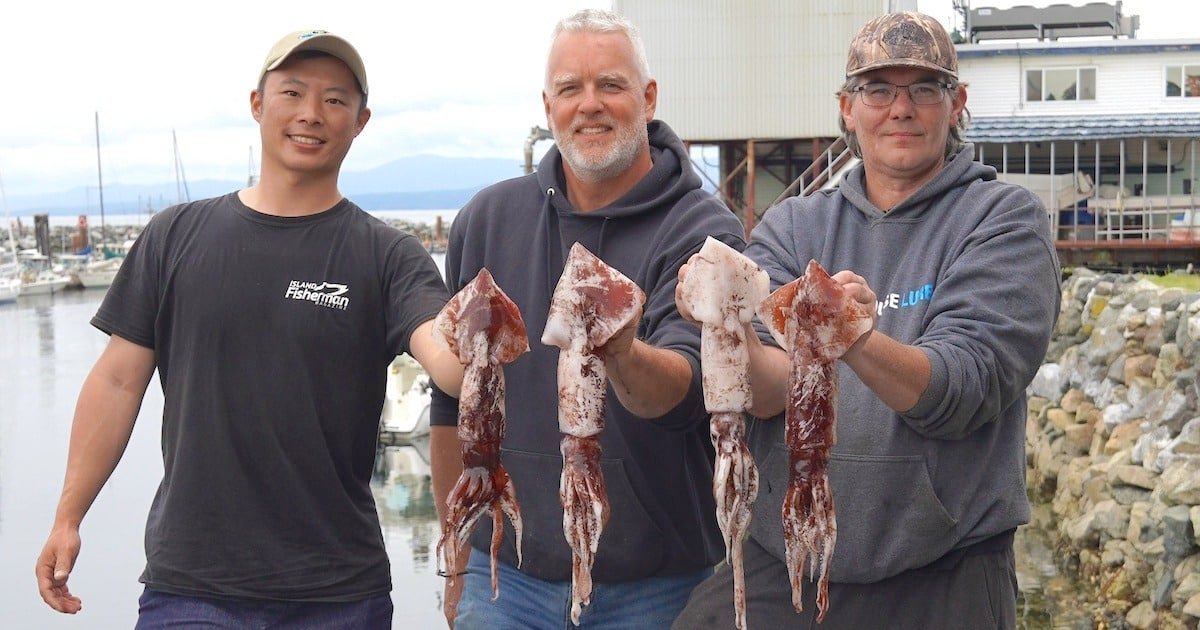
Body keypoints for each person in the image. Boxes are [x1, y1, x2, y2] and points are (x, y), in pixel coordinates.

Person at [35, 29, 463, 628]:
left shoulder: (388, 254)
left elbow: (447, 361)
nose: (312, 114)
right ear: (258, 104)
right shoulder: (175, 236)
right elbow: (116, 383)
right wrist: (67, 517)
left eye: (335, 100)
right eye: (293, 92)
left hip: (338, 592)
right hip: (191, 586)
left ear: (360, 122)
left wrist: (484, 343)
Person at [674, 11, 1061, 630]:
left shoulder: (1003, 221)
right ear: (847, 108)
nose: (900, 108)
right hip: (789, 557)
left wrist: (853, 338)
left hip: (946, 569)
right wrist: (729, 327)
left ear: (957, 103)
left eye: (924, 89)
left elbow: (962, 388)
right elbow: (769, 388)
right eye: (879, 89)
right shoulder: (793, 224)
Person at [429, 8, 746, 629]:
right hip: (507, 578)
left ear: (648, 97)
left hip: (657, 585)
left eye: (611, 85)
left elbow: (694, 392)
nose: (590, 104)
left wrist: (624, 353)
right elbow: (454, 405)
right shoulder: (486, 220)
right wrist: (457, 556)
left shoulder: (705, 230)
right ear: (548, 105)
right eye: (570, 89)